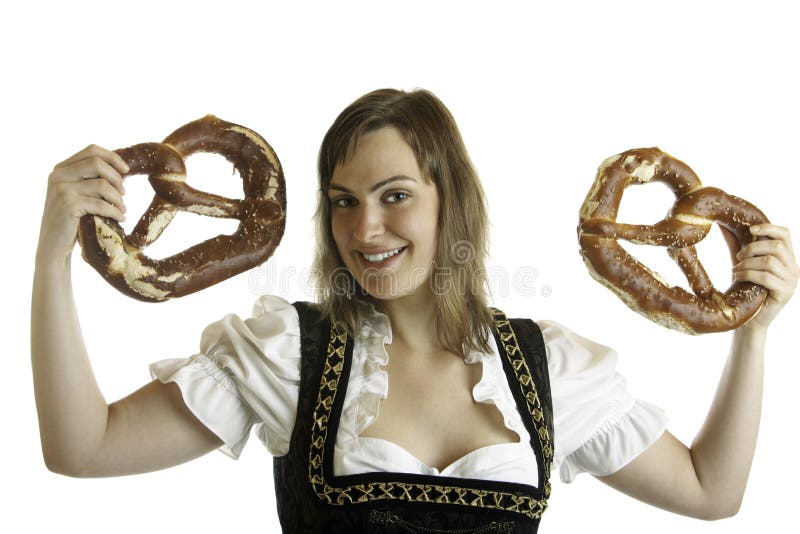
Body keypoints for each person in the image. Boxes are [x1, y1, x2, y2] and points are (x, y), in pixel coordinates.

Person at [32, 88, 799, 533]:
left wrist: (755, 336)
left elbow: (711, 492)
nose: (365, 230)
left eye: (395, 195)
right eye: (344, 202)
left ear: (449, 201)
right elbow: (82, 448)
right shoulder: (288, 353)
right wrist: (51, 258)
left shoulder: (546, 368)